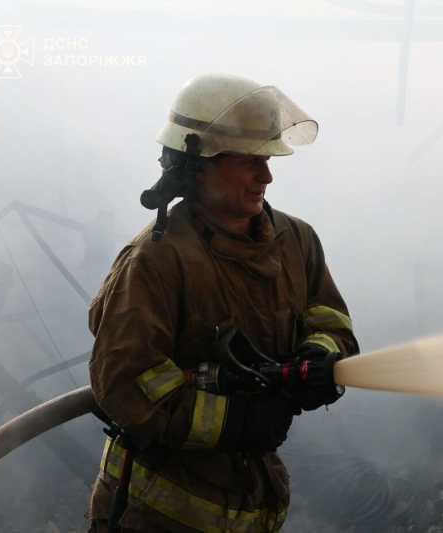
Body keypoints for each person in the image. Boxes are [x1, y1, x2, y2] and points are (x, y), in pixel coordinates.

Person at [84, 72, 359, 533]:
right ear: (197, 166)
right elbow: (125, 383)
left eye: (268, 159)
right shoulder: (156, 261)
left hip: (253, 504)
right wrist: (236, 422)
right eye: (249, 160)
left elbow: (330, 320)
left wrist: (323, 357)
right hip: (157, 514)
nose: (267, 175)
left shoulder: (297, 241)